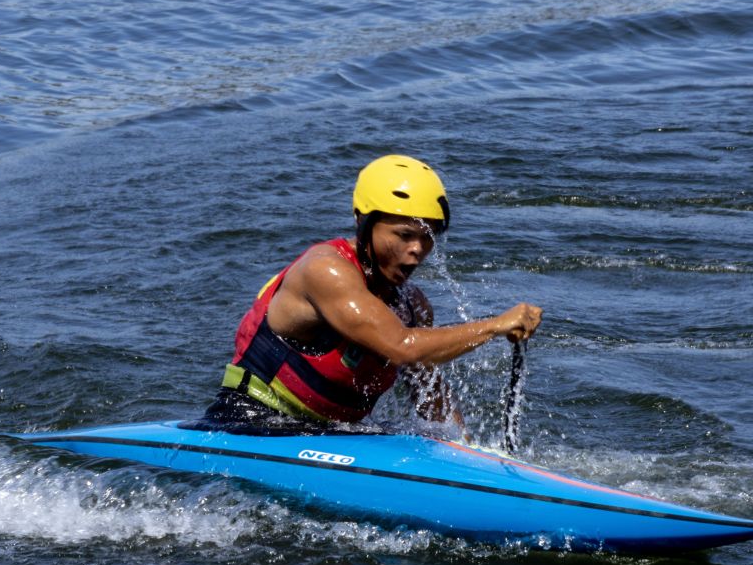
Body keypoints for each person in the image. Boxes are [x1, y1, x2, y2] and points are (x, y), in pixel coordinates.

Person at [202, 154, 542, 431]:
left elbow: (430, 393)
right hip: (249, 423)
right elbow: (402, 348)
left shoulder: (413, 306)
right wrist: (494, 325)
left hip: (337, 438)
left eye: (427, 237)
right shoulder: (325, 271)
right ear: (362, 223)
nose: (417, 250)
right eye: (404, 234)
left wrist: (469, 452)